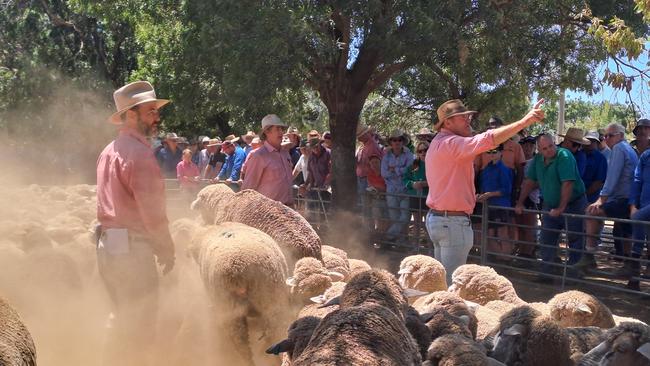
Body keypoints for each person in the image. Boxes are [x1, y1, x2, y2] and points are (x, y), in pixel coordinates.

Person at [96, 81, 175, 366]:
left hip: (108, 243)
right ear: (131, 114)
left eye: (156, 110)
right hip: (133, 248)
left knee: (121, 314)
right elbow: (152, 212)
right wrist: (166, 247)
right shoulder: (140, 155)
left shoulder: (109, 151)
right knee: (141, 321)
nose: (157, 117)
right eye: (151, 111)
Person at [426, 99, 545, 281]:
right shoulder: (453, 143)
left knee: (442, 281)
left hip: (438, 218)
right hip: (452, 222)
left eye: (468, 116)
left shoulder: (437, 143)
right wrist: (524, 121)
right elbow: (488, 139)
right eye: (462, 117)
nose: (468, 120)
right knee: (451, 284)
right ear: (447, 122)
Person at [515, 134, 587, 282]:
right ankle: (546, 273)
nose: (548, 150)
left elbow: (568, 183)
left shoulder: (564, 156)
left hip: (574, 202)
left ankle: (573, 274)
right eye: (544, 148)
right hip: (550, 202)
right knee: (546, 237)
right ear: (539, 150)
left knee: (575, 236)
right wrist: (520, 202)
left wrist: (561, 207)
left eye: (551, 146)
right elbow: (529, 181)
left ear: (554, 144)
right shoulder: (537, 161)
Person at [577, 123, 638, 271]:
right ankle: (630, 265)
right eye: (605, 135)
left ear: (621, 136)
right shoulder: (629, 149)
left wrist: (601, 200)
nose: (607, 138)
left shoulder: (618, 148)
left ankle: (589, 255)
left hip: (622, 198)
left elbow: (612, 177)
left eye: (610, 135)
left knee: (592, 212)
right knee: (626, 230)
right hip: (630, 199)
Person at [242, 114, 294, 206]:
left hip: (289, 209)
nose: (281, 132)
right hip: (269, 213)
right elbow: (248, 189)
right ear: (267, 131)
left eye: (282, 129)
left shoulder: (285, 153)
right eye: (277, 129)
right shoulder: (258, 156)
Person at [477, 144, 514, 261]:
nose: (492, 154)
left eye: (495, 151)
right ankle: (499, 257)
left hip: (501, 205)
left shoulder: (504, 169)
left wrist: (490, 194)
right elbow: (483, 186)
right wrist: (481, 195)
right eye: (489, 151)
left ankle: (506, 259)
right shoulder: (486, 169)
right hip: (488, 206)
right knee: (488, 234)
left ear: (501, 152)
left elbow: (506, 190)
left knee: (502, 233)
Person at [381, 129, 415, 241]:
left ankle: (388, 236)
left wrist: (394, 169)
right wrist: (401, 170)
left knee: (404, 218)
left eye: (399, 140)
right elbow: (384, 173)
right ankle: (399, 242)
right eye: (394, 140)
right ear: (391, 142)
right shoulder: (386, 156)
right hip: (391, 191)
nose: (397, 142)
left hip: (405, 190)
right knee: (394, 218)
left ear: (402, 141)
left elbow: (409, 171)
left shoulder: (409, 154)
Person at [626, 145, 650, 290]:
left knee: (637, 219)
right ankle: (634, 280)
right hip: (643, 205)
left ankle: (634, 269)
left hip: (644, 211)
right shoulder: (646, 156)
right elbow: (637, 180)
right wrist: (633, 204)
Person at [515, 135, 540, 259]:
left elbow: (539, 181)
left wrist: (527, 185)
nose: (528, 148)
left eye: (531, 145)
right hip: (517, 197)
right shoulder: (519, 162)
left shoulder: (537, 162)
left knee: (529, 227)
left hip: (531, 199)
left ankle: (528, 253)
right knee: (519, 227)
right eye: (525, 145)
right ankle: (522, 251)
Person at [403, 140, 430, 244]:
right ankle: (415, 246)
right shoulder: (414, 164)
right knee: (417, 222)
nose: (423, 153)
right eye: (420, 151)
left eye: (425, 150)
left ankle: (430, 247)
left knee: (428, 223)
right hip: (415, 196)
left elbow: (439, 180)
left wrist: (427, 183)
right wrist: (412, 184)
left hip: (428, 197)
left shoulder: (434, 164)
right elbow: (405, 179)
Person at [356, 124, 384, 223]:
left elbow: (376, 165)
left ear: (367, 134)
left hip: (368, 179)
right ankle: (369, 228)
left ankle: (369, 229)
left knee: (368, 206)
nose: (359, 138)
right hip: (363, 178)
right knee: (366, 206)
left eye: (361, 135)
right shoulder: (364, 146)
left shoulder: (372, 146)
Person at [305, 137, 332, 223]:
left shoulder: (328, 153)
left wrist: (326, 183)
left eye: (316, 147)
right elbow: (311, 172)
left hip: (328, 188)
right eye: (313, 148)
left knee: (327, 210)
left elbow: (332, 171)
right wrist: (309, 184)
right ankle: (317, 228)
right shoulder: (311, 157)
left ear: (320, 145)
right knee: (314, 209)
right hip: (317, 187)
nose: (315, 149)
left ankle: (328, 229)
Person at [582, 131, 608, 204]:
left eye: (593, 141)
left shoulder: (600, 159)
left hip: (590, 199)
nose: (590, 143)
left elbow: (598, 182)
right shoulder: (578, 154)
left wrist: (584, 195)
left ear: (597, 143)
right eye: (588, 140)